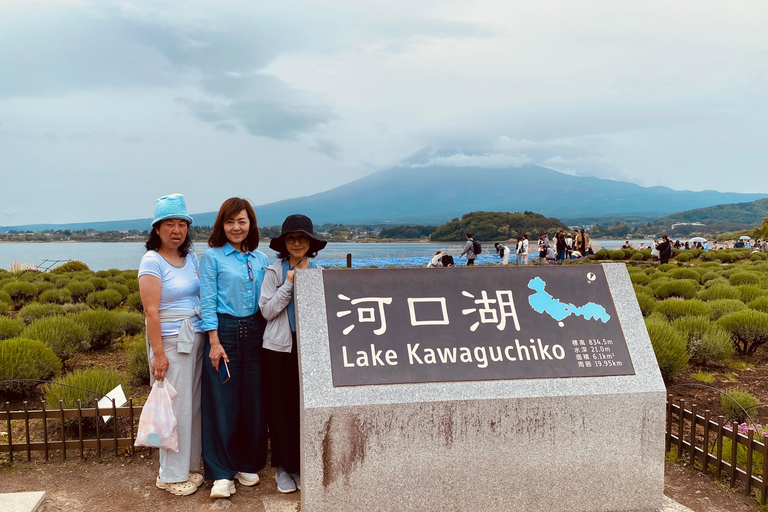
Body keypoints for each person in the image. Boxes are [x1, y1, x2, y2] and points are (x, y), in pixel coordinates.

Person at [199, 198, 270, 499]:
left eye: (242, 221)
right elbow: (207, 302)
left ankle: (248, 462)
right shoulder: (212, 258)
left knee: (253, 399)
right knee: (222, 399)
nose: (236, 227)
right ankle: (221, 472)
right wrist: (214, 342)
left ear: (251, 224)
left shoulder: (261, 259)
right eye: (230, 222)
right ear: (221, 225)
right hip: (224, 331)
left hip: (256, 330)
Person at [138, 194, 204, 496]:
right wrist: (159, 355)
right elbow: (151, 311)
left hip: (195, 338)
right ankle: (170, 475)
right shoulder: (151, 261)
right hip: (170, 342)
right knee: (173, 408)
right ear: (157, 229)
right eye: (169, 224)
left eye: (182, 224)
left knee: (192, 404)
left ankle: (189, 467)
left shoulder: (190, 258)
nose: (176, 230)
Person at [260, 214, 327, 494]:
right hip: (278, 349)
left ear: (310, 242)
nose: (297, 243)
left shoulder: (318, 272)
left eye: (302, 238)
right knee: (280, 408)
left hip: (308, 349)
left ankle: (300, 464)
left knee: (304, 408)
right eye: (291, 238)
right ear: (283, 243)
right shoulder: (273, 272)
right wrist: (288, 284)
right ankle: (283, 468)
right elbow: (266, 310)